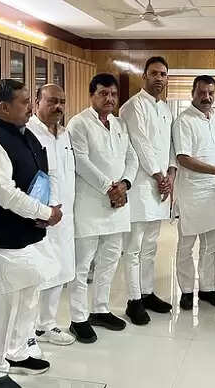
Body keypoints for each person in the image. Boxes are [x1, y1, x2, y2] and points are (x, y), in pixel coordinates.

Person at [0, 79, 63, 388]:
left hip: (28, 229)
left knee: (29, 292)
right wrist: (45, 213)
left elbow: (43, 175)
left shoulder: (25, 133)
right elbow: (6, 194)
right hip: (1, 234)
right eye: (24, 102)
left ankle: (18, 352)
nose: (30, 107)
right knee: (1, 304)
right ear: (3, 107)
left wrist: (49, 206)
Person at [67, 73, 138, 343]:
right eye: (103, 93)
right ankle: (78, 318)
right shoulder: (79, 123)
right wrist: (110, 187)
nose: (109, 99)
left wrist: (125, 184)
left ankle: (100, 309)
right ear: (92, 95)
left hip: (117, 205)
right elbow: (81, 162)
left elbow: (131, 157)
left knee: (110, 260)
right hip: (90, 205)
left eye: (113, 94)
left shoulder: (119, 124)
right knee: (82, 264)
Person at [120, 56, 177, 325]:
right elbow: (140, 144)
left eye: (163, 74)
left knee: (151, 246)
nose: (159, 78)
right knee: (134, 247)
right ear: (144, 76)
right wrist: (158, 175)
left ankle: (147, 292)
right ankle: (133, 300)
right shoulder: (133, 106)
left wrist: (170, 175)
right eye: (154, 73)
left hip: (161, 187)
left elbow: (170, 146)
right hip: (141, 186)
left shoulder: (165, 109)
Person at [173, 75, 215, 310]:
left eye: (211, 93)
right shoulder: (184, 121)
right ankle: (186, 291)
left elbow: (209, 149)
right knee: (186, 246)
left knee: (211, 245)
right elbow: (184, 158)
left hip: (213, 193)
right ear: (192, 93)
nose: (207, 97)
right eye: (202, 92)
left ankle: (208, 289)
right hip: (191, 194)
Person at [26, 84, 76, 349]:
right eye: (52, 101)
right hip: (40, 215)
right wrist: (43, 209)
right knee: (37, 274)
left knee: (59, 270)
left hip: (65, 215)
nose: (58, 106)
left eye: (62, 102)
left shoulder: (65, 134)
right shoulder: (28, 132)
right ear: (36, 103)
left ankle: (47, 325)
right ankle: (27, 331)